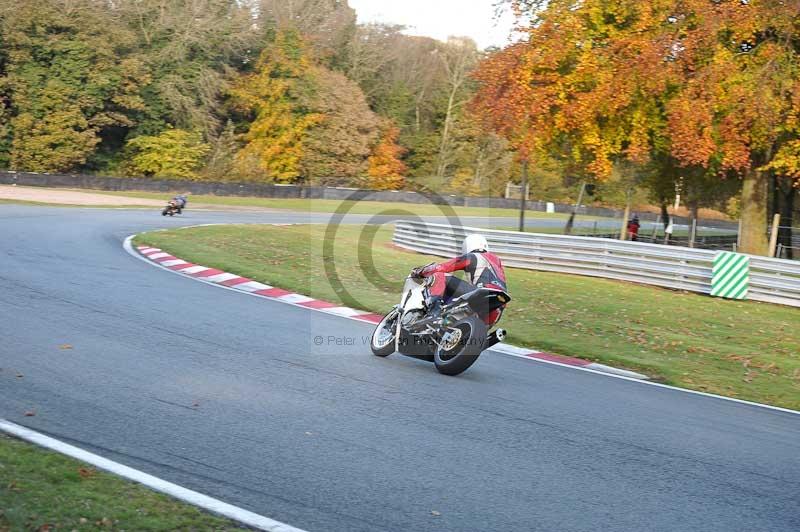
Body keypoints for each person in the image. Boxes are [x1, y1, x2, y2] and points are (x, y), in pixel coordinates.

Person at [412, 234, 508, 325]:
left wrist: (421, 272)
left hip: (482, 293)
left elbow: (443, 267)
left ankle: (433, 312)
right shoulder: (497, 262)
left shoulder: (473, 256)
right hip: (498, 306)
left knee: (439, 275)